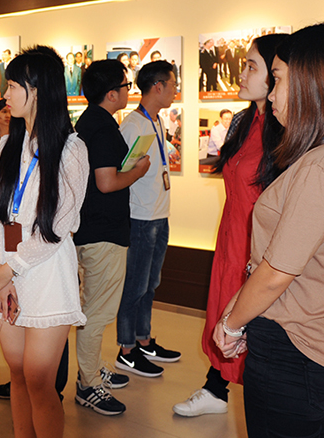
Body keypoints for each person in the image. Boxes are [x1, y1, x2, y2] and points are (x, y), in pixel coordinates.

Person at [213, 24, 324, 438]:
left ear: (310, 82)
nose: (272, 95)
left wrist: (231, 324)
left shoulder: (316, 167)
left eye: (277, 80)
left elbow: (277, 271)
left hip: (293, 347)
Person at [173, 34, 287, 417]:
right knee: (224, 309)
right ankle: (216, 386)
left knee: (252, 315)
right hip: (231, 235)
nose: (242, 74)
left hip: (261, 243)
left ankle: (233, 389)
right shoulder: (243, 120)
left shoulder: (287, 130)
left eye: (252, 67)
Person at [0, 45, 88, 438]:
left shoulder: (72, 150)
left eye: (12, 86)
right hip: (5, 273)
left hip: (47, 273)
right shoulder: (7, 145)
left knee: (40, 379)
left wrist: (12, 268)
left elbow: (59, 226)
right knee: (18, 373)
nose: (5, 94)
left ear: (38, 90)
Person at [73, 59, 151, 416]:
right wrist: (138, 170)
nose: (128, 91)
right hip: (104, 232)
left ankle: (91, 368)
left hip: (89, 229)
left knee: (92, 307)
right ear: (111, 93)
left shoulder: (88, 122)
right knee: (97, 311)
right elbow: (106, 182)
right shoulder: (103, 129)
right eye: (125, 85)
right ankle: (88, 384)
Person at [114, 61, 182, 378]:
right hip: (140, 217)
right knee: (135, 286)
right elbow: (122, 173)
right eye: (172, 84)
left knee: (151, 284)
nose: (175, 90)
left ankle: (144, 340)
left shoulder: (157, 121)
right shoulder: (132, 126)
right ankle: (126, 350)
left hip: (159, 214)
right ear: (158, 86)